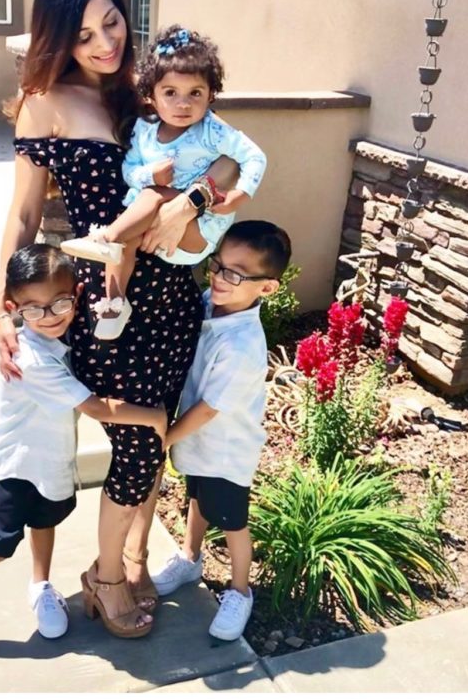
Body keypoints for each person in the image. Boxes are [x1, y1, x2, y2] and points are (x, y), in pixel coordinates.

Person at [0, 0, 239, 638]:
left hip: (172, 298)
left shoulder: (145, 90)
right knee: (135, 440)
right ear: (57, 41)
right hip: (108, 306)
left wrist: (192, 199)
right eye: (83, 36)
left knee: (154, 435)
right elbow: (21, 216)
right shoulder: (43, 104)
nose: (105, 43)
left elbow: (227, 155)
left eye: (111, 23)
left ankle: (132, 558)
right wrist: (2, 306)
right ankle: (103, 580)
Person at [0, 244, 167, 661]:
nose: (51, 315)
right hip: (20, 465)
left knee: (46, 519)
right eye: (35, 308)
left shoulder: (57, 343)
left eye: (60, 302)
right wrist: (153, 415)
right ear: (14, 308)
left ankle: (41, 585)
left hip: (51, 462)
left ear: (76, 295)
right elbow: (94, 406)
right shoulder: (30, 357)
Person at [61, 25, 267, 340]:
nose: (183, 104)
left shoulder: (213, 131)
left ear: (211, 94)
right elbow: (129, 172)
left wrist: (240, 195)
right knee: (125, 242)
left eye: (194, 93)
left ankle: (103, 238)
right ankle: (115, 303)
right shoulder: (143, 132)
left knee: (148, 200)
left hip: (199, 229)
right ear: (151, 96)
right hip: (155, 230)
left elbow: (255, 157)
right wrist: (150, 174)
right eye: (170, 93)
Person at [150, 221, 292, 641]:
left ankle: (240, 591)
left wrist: (165, 438)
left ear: (267, 288)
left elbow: (211, 408)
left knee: (232, 520)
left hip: (227, 448)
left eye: (236, 273)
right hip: (199, 441)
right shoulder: (213, 300)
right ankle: (190, 558)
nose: (219, 277)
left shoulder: (243, 345)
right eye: (218, 265)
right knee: (196, 495)